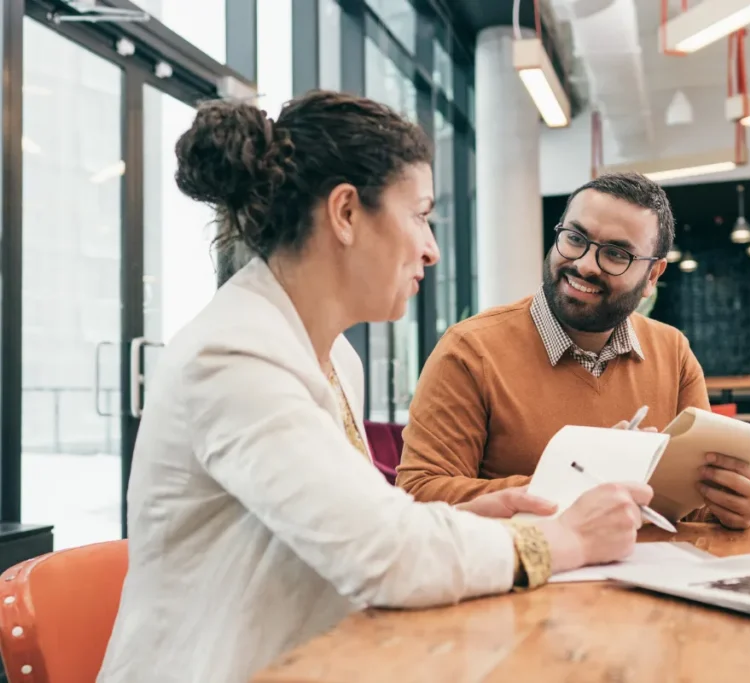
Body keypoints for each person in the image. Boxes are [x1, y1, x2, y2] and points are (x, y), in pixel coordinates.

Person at [97, 92, 654, 683]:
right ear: (345, 213)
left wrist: (483, 526)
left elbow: (350, 524)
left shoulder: (333, 355)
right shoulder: (232, 355)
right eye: (419, 215)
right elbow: (384, 556)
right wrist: (562, 538)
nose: (432, 248)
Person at [396, 172, 750, 530]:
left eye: (617, 254)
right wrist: (579, 480)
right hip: (529, 584)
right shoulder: (469, 350)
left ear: (652, 276)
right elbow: (419, 495)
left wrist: (734, 505)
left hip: (651, 580)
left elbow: (689, 509)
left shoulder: (673, 352)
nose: (585, 264)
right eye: (575, 238)